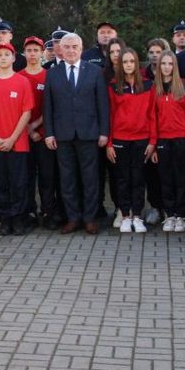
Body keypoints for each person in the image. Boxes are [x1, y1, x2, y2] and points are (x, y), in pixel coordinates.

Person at [43, 33, 110, 234]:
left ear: (81, 49)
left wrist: (104, 132)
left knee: (90, 179)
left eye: (75, 47)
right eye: (67, 47)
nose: (71, 50)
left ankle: (89, 218)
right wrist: (49, 133)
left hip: (89, 133)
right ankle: (72, 218)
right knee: (67, 179)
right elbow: (48, 106)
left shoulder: (95, 71)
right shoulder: (52, 73)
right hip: (62, 135)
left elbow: (102, 105)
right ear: (60, 50)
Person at [0, 42, 34, 235]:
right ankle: (3, 219)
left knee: (18, 183)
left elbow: (26, 112)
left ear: (13, 58)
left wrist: (12, 138)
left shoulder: (22, 82)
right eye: (0, 55)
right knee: (0, 183)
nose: (3, 58)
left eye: (6, 54)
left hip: (18, 144)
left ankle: (19, 219)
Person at [107, 49, 155, 232]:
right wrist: (110, 143)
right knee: (122, 179)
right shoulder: (113, 86)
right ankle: (125, 215)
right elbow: (110, 116)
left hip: (142, 139)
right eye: (125, 61)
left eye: (132, 61)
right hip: (120, 139)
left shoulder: (148, 85)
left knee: (138, 179)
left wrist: (152, 141)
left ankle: (137, 215)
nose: (128, 65)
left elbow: (152, 114)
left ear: (137, 64)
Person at [152, 51, 185, 232]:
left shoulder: (183, 87)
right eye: (163, 63)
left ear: (175, 66)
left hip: (181, 139)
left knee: (181, 178)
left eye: (170, 64)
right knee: (166, 178)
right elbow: (152, 117)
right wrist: (154, 143)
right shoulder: (155, 88)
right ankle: (169, 215)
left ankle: (181, 215)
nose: (166, 67)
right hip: (163, 139)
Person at [20, 36, 58, 228]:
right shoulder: (18, 76)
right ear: (24, 53)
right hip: (23, 136)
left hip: (44, 134)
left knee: (47, 177)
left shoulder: (49, 76)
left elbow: (51, 107)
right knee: (26, 177)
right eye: (29, 50)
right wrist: (27, 129)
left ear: (42, 52)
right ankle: (29, 212)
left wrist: (35, 127)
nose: (32, 54)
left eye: (36, 50)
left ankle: (48, 212)